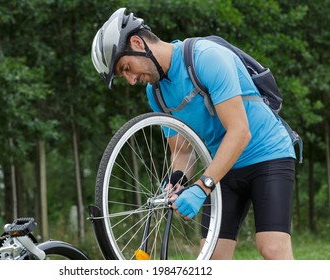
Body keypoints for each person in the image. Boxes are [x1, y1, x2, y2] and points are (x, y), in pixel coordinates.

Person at [91, 8, 296, 260]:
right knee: (212, 259)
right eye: (124, 75)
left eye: (126, 67)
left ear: (137, 42)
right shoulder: (156, 93)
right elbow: (182, 150)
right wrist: (179, 181)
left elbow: (240, 132)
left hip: (267, 155)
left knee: (272, 248)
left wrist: (202, 187)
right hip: (222, 166)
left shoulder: (206, 58)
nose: (131, 80)